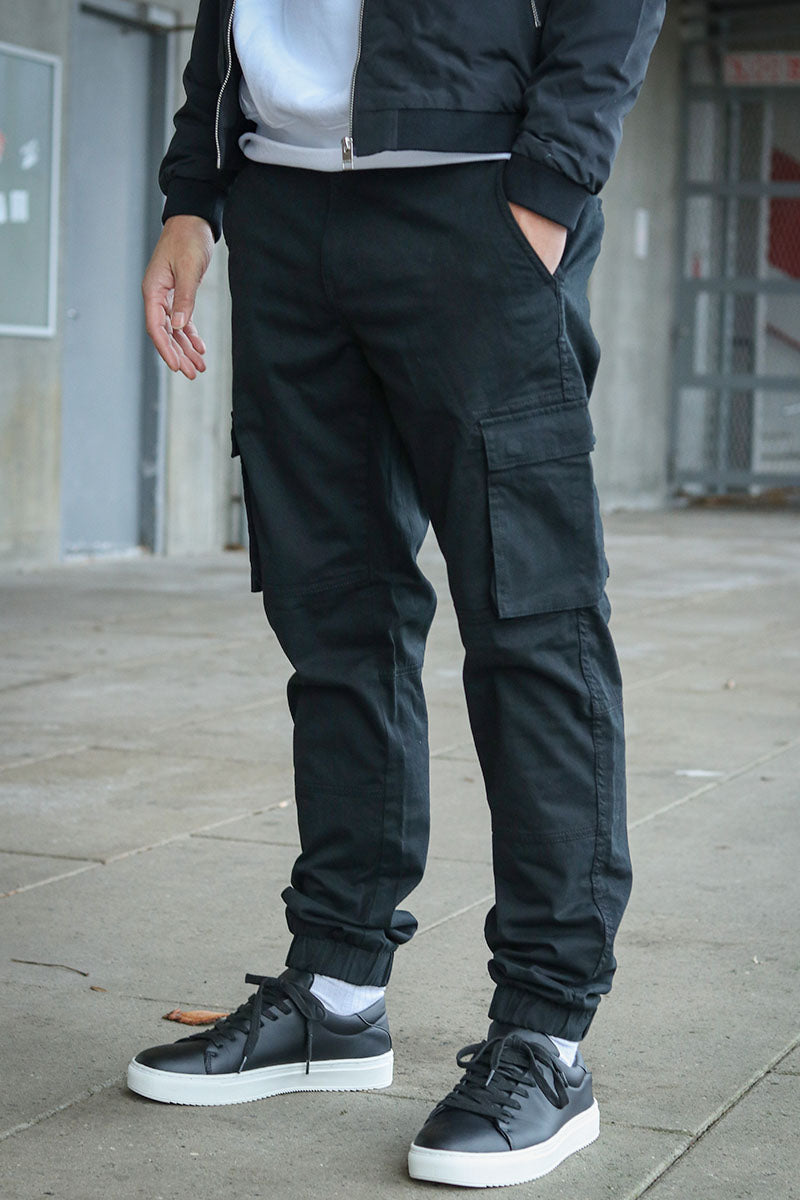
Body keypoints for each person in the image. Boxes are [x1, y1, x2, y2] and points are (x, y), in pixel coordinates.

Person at [127, 0, 665, 1187]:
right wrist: (192, 195)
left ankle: (546, 1036)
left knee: (530, 621)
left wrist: (547, 185)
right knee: (332, 618)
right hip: (281, 204)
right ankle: (334, 988)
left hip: (473, 195)